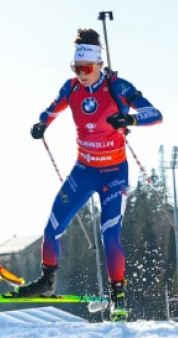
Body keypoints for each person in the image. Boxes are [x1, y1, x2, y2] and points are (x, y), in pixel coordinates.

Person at [14, 28, 163, 322]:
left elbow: (156, 114)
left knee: (110, 236)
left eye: (87, 68)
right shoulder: (71, 89)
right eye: (76, 68)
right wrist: (40, 124)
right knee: (52, 226)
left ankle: (118, 297)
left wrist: (130, 118)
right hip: (84, 170)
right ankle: (47, 281)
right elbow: (50, 111)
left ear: (99, 65)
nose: (81, 74)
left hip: (114, 174)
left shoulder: (118, 87)